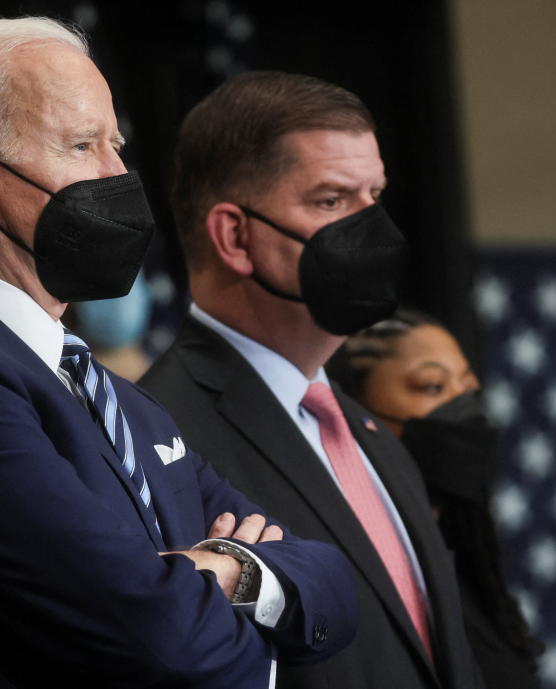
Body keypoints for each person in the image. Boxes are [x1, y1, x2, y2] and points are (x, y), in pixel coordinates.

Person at [0, 18, 358, 689]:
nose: (118, 174)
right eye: (81, 145)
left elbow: (333, 584)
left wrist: (225, 567)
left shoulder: (121, 399)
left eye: (117, 146)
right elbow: (159, 640)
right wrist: (230, 598)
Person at [140, 71, 484, 689]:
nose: (375, 229)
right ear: (235, 236)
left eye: (374, 196)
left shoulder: (370, 433)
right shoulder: (160, 435)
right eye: (332, 200)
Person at [327, 308, 543, 688]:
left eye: (469, 389)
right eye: (433, 387)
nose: (466, 411)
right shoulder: (348, 574)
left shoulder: (470, 572)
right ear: (355, 407)